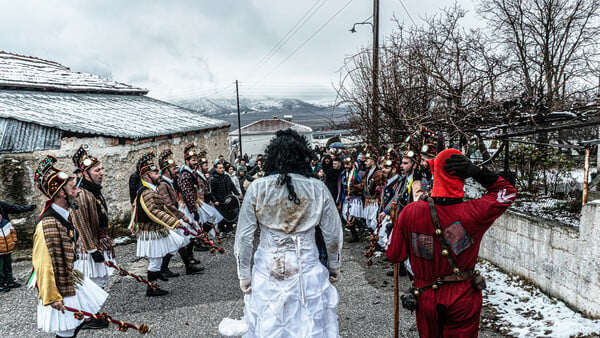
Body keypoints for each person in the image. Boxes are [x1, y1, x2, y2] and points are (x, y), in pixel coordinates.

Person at [386, 149, 517, 337]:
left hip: (425, 294)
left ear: (435, 173)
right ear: (463, 175)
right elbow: (508, 192)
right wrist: (479, 173)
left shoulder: (410, 212)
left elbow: (394, 255)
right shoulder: (474, 212)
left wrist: (396, 231)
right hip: (463, 296)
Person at [233, 129, 343, 337]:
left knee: (271, 320)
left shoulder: (258, 188)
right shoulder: (317, 188)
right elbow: (332, 234)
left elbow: (245, 236)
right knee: (308, 322)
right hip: (307, 266)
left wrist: (243, 274)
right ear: (304, 157)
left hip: (269, 266)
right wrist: (334, 265)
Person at [31, 155, 107, 338]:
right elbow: (43, 262)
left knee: (77, 323)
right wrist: (51, 296)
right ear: (62, 194)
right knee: (66, 329)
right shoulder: (48, 224)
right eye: (74, 189)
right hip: (59, 285)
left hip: (68, 277)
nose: (79, 192)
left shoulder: (64, 214)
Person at [132, 152, 187, 297]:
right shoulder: (147, 193)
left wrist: (179, 218)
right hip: (151, 231)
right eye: (155, 172)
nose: (159, 175)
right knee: (155, 261)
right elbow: (154, 212)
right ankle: (152, 287)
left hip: (156, 229)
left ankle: (159, 275)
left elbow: (164, 208)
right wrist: (174, 223)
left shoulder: (151, 190)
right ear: (147, 176)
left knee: (177, 243)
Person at [70, 146, 115, 294]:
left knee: (101, 280)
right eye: (97, 170)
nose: (102, 173)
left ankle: (93, 314)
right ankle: (90, 315)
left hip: (99, 241)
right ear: (84, 173)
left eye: (101, 169)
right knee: (93, 282)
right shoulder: (82, 194)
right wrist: (92, 249)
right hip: (89, 246)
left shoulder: (95, 191)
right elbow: (80, 223)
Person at [156, 149, 203, 276]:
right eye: (173, 168)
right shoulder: (162, 184)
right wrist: (182, 216)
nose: (177, 170)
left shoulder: (169, 182)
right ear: (167, 170)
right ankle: (163, 269)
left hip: (173, 218)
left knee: (179, 242)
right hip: (169, 219)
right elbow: (168, 205)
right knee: (177, 243)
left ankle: (185, 266)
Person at [0, 201, 35, 291]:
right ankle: (1, 283)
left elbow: (14, 208)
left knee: (7, 264)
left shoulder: (2, 205)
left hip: (6, 240)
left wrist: (28, 207)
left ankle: (9, 280)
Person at [336, 156, 365, 243]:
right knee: (346, 216)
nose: (346, 166)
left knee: (353, 215)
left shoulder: (359, 173)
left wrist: (355, 188)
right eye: (345, 164)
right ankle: (354, 235)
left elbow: (362, 186)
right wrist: (339, 201)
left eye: (348, 164)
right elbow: (340, 187)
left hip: (355, 197)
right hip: (346, 198)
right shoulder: (343, 174)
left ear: (352, 163)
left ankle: (360, 225)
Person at [211, 162, 240, 235]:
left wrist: (238, 194)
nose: (222, 169)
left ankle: (229, 230)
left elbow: (232, 186)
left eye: (223, 168)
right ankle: (222, 231)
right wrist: (215, 201)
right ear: (216, 169)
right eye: (220, 168)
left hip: (229, 200)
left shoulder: (227, 177)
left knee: (230, 215)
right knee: (221, 217)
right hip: (220, 202)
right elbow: (212, 192)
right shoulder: (213, 179)